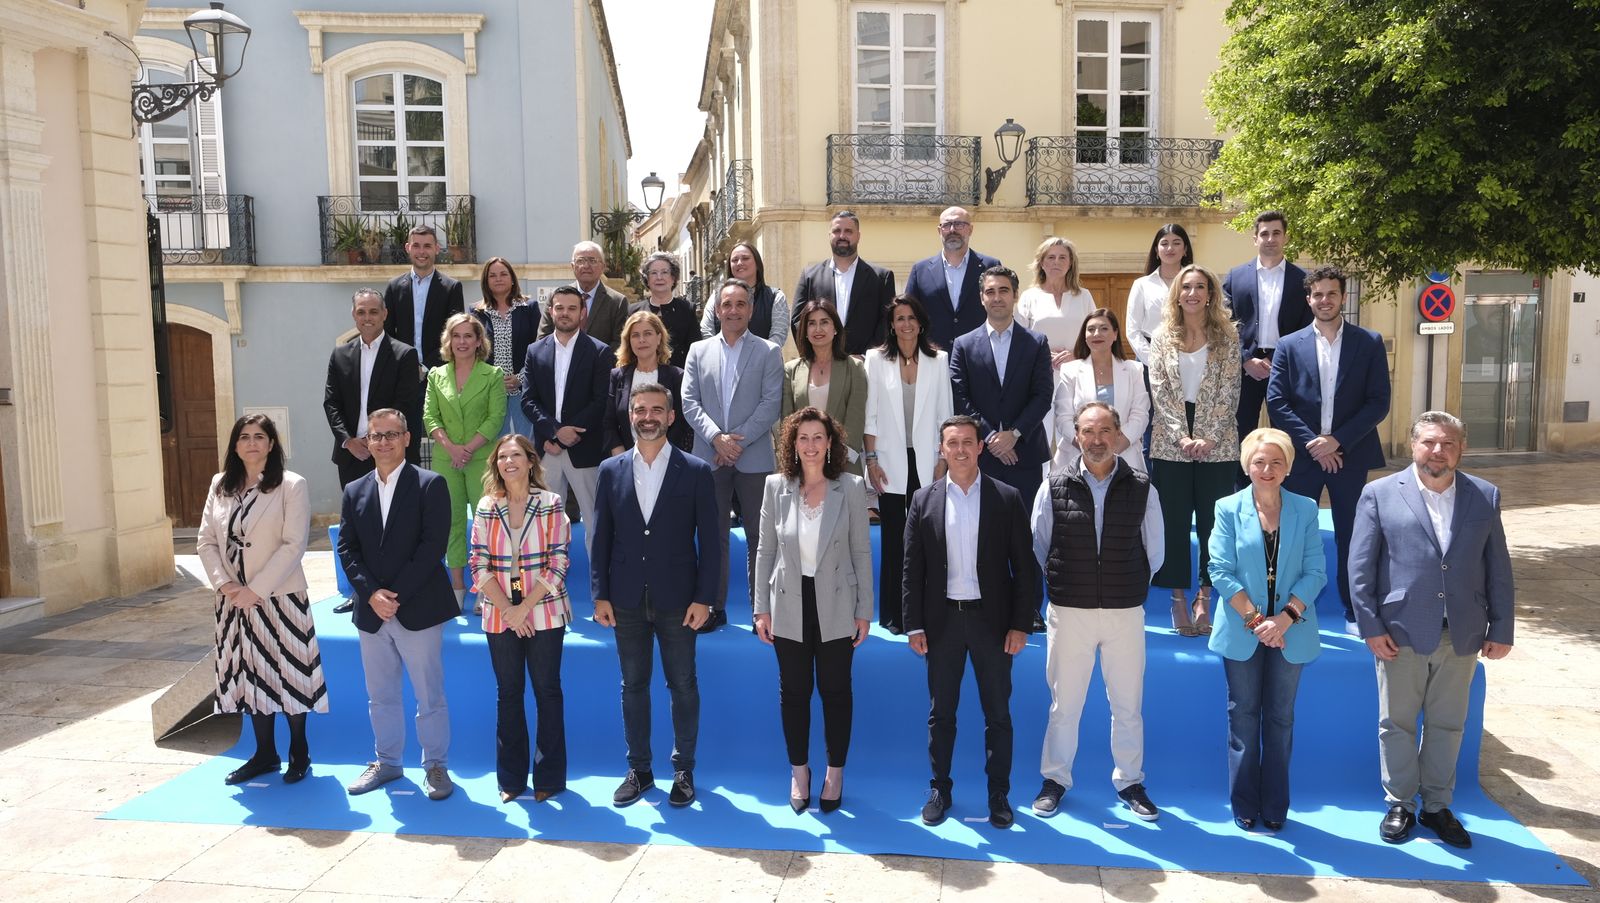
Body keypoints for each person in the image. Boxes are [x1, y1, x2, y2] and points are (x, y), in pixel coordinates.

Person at [1350, 411, 1514, 850]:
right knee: (1396, 722)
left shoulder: (1484, 496)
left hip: (1461, 632)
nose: (1437, 451)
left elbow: (1498, 567)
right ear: (1413, 445)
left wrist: (1501, 626)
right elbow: (1360, 569)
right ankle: (1400, 803)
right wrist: (1370, 626)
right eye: (1429, 442)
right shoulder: (1379, 494)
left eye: (1447, 444)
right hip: (1399, 629)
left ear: (1461, 449)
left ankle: (1437, 807)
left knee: (1448, 724)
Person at [1028, 402, 1164, 822]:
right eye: (1088, 431)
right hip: (1071, 610)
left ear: (1118, 434)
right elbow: (1040, 543)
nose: (1097, 440)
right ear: (1077, 437)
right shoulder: (1052, 484)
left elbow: (1154, 551)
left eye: (1105, 430)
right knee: (1064, 704)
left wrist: (1125, 584)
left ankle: (1130, 781)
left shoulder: (1143, 486)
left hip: (1124, 611)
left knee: (1127, 704)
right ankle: (1055, 780)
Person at [590, 382, 722, 808]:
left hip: (680, 600)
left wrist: (705, 599)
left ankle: (683, 769)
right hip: (625, 598)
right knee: (633, 685)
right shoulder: (610, 471)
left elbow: (712, 542)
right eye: (639, 409)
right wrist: (600, 595)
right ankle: (640, 770)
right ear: (630, 415)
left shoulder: (697, 471)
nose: (647, 416)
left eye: (656, 410)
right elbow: (601, 539)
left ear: (670, 416)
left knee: (683, 684)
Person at [904, 415, 1039, 830]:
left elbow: (1025, 569)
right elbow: (912, 570)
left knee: (998, 714)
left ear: (981, 447)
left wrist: (1021, 624)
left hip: (992, 624)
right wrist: (914, 625)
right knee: (940, 714)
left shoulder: (1007, 497)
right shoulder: (923, 500)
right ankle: (939, 788)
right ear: (941, 449)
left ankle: (999, 794)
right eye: (952, 443)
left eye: (967, 442)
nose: (960, 450)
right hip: (942, 623)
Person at [752, 408, 874, 814]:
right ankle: (800, 771)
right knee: (795, 693)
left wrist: (864, 610)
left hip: (838, 601)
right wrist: (760, 609)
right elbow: (765, 549)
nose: (810, 445)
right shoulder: (775, 486)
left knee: (837, 692)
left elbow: (860, 550)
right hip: (788, 601)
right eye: (802, 437)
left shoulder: (852, 487)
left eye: (817, 437)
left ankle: (834, 772)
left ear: (830, 442)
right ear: (792, 444)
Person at [196, 414, 327, 785]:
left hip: (280, 598)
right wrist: (226, 586)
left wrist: (256, 589)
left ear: (271, 444)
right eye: (244, 437)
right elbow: (205, 541)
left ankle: (298, 750)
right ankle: (264, 753)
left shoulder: (291, 485)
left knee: (290, 673)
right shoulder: (220, 484)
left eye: (260, 436)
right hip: (233, 602)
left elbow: (294, 544)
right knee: (248, 674)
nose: (251, 443)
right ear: (235, 446)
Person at [1207, 427, 1326, 832]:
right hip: (1244, 630)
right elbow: (1219, 571)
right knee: (1242, 717)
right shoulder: (1227, 507)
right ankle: (1244, 802)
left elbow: (1316, 572)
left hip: (1291, 631)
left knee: (1281, 719)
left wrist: (1285, 619)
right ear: (1247, 466)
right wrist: (1257, 621)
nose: (1267, 469)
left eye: (1277, 462)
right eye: (1259, 461)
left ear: (1289, 467)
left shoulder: (1306, 509)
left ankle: (1275, 805)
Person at [337, 408, 457, 801]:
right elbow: (347, 548)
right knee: (381, 695)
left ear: (407, 438)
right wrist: (372, 593)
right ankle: (387, 762)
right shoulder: (354, 490)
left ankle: (436, 766)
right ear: (367, 442)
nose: (384, 442)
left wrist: (395, 595)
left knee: (429, 695)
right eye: (376, 435)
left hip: (418, 608)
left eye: (392, 434)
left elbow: (431, 547)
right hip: (371, 612)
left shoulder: (430, 484)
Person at [1267, 265, 1391, 629]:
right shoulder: (1289, 345)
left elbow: (1378, 401)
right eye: (1317, 294)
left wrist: (1337, 441)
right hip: (1303, 459)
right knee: (1293, 536)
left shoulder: (1368, 342)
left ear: (1343, 297)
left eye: (1331, 294)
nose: (1324, 300)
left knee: (1353, 535)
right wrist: (1314, 444)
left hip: (1349, 456)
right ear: (1309, 299)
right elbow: (1277, 402)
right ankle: (1289, 611)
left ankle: (1355, 611)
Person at [469, 434, 571, 804]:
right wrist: (508, 610)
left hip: (542, 610)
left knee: (547, 692)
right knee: (508, 695)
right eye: (502, 457)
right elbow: (478, 563)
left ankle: (550, 777)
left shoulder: (551, 503)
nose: (508, 462)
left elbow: (559, 561)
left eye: (516, 455)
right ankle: (511, 779)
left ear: (531, 461)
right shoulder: (485, 506)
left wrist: (524, 607)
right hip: (500, 615)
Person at [682, 278, 785, 632]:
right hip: (709, 456)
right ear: (717, 310)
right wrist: (716, 438)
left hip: (754, 457)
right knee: (714, 535)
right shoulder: (698, 350)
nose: (734, 310)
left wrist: (736, 442)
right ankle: (714, 606)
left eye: (741, 304)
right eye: (727, 304)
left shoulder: (769, 352)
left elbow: (771, 403)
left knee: (761, 535)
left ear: (751, 310)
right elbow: (688, 401)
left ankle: (762, 611)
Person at [1147, 264, 1241, 638]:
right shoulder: (1162, 336)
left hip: (1218, 440)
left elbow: (1231, 390)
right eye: (1186, 287)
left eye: (1200, 287)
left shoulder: (1228, 336)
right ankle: (1177, 598)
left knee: (1212, 524)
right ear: (1177, 294)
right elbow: (1159, 389)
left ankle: (1205, 595)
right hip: (1170, 441)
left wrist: (1210, 436)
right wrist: (1181, 435)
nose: (1192, 293)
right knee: (1171, 522)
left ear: (1210, 294)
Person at [325, 289, 422, 615]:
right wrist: (348, 440)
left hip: (390, 454)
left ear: (384, 315)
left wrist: (379, 440)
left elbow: (408, 404)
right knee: (356, 527)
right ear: (354, 315)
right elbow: (331, 402)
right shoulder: (340, 355)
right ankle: (359, 593)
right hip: (352, 455)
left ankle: (397, 591)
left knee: (394, 524)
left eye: (373, 312)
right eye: (361, 312)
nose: (367, 318)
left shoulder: (404, 354)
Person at [863, 295, 952, 634]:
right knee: (894, 539)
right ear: (891, 324)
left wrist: (942, 461)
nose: (906, 324)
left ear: (921, 322)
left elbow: (946, 415)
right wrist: (870, 459)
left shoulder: (939, 360)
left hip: (928, 459)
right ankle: (893, 614)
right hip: (888, 459)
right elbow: (870, 413)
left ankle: (926, 613)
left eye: (911, 318)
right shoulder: (875, 359)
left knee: (927, 538)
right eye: (899, 318)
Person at [521, 286, 617, 564]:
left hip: (584, 449)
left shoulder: (600, 352)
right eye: (559, 307)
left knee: (595, 524)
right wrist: (553, 431)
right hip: (546, 449)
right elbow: (528, 400)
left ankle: (601, 592)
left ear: (582, 313)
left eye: (572, 308)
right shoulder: (535, 350)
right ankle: (547, 588)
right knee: (545, 525)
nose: (565, 313)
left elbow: (601, 401)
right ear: (551, 311)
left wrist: (564, 435)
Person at [949, 265, 1054, 512]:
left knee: (1025, 534)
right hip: (980, 456)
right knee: (983, 536)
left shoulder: (1036, 343)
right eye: (990, 291)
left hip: (1025, 454)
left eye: (1004, 291)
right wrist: (991, 437)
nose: (997, 297)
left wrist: (1013, 434)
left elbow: (1043, 395)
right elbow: (959, 397)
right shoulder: (963, 345)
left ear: (1015, 295)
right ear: (981, 298)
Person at [423, 312, 506, 610]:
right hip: (447, 461)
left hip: (482, 459)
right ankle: (457, 588)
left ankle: (487, 590)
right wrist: (451, 447)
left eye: (468, 336)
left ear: (478, 341)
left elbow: (495, 417)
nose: (462, 341)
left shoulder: (493, 375)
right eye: (456, 336)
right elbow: (429, 416)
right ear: (449, 340)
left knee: (487, 526)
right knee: (451, 524)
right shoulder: (436, 375)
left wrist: (467, 448)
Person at [1222, 211, 1311, 446]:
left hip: (1286, 366)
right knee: (1241, 431)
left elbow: (1306, 325)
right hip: (1244, 367)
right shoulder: (1235, 277)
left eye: (1276, 233)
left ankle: (1282, 481)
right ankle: (1241, 482)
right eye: (1264, 234)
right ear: (1255, 239)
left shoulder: (1303, 280)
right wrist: (1246, 359)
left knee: (1284, 434)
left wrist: (1276, 359)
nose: (1270, 239)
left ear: (1285, 238)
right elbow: (1224, 322)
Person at [1050, 308, 1150, 475]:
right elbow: (1063, 418)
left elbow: (1140, 415)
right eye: (1091, 329)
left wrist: (1115, 447)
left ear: (1115, 334)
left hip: (1125, 457)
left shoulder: (1134, 370)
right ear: (1084, 336)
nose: (1097, 334)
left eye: (1104, 328)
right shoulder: (1070, 371)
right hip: (1077, 457)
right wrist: (1088, 447)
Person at [781, 300, 868, 476]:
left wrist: (834, 459)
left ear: (835, 328)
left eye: (824, 322)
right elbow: (788, 422)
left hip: (843, 466)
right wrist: (806, 457)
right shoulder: (791, 370)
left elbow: (856, 419)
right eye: (811, 323)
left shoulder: (855, 368)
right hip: (803, 466)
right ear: (804, 331)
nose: (818, 329)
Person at [791, 210, 896, 355]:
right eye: (836, 231)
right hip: (821, 365)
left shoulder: (881, 278)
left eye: (848, 231)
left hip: (865, 367)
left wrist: (868, 357)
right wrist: (814, 354)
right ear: (829, 236)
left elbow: (887, 322)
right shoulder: (810, 276)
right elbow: (797, 321)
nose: (842, 236)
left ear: (858, 236)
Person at [904, 206, 1002, 350]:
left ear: (970, 229)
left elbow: (999, 311)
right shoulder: (920, 270)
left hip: (978, 357)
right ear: (939, 231)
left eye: (959, 224)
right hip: (932, 358)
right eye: (946, 225)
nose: (952, 230)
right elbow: (908, 314)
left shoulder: (990, 266)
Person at [602, 310, 693, 454]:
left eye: (648, 333)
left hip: (668, 459)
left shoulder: (677, 376)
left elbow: (682, 424)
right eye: (635, 335)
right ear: (629, 341)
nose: (641, 340)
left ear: (659, 338)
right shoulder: (617, 376)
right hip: (625, 458)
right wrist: (620, 456)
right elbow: (609, 423)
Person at [471, 256, 541, 438]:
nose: (498, 279)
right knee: (495, 444)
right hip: (491, 391)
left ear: (512, 279)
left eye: (503, 274)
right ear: (486, 281)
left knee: (525, 443)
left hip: (523, 387)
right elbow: (474, 353)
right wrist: (494, 382)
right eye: (492, 275)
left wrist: (520, 377)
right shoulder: (476, 311)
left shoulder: (529, 307)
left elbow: (539, 347)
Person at [382, 225, 464, 368]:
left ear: (436, 249)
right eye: (416, 246)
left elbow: (454, 334)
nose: (421, 252)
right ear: (408, 248)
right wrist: (404, 364)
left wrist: (426, 367)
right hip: (403, 372)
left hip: (440, 372)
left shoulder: (452, 288)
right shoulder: (394, 287)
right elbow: (387, 333)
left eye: (427, 246)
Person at [1016, 236, 1095, 370]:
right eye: (1051, 257)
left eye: (1062, 257)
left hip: (1077, 371)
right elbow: (1018, 339)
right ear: (1041, 263)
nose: (1056, 262)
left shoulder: (1084, 296)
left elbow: (1095, 335)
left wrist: (1076, 355)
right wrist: (1043, 355)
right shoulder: (1029, 297)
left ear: (1070, 263)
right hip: (1039, 372)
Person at [538, 240, 629, 348]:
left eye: (592, 260)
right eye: (580, 261)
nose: (586, 266)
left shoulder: (617, 302)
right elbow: (543, 339)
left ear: (603, 267)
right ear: (573, 266)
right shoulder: (556, 297)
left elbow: (619, 343)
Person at [1125, 224, 1193, 364]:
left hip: (1189, 355)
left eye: (1176, 243)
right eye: (1164, 243)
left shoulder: (1196, 283)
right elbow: (1133, 330)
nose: (1170, 248)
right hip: (1149, 357)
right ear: (1156, 250)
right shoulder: (1142, 285)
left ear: (1185, 249)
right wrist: (1153, 359)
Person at [700, 241, 789, 348]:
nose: (739, 263)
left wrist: (754, 357)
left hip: (762, 363)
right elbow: (706, 330)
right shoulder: (716, 296)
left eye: (745, 258)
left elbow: (778, 336)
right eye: (734, 260)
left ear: (757, 264)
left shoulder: (776, 297)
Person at [631, 251, 701, 369]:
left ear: (673, 278)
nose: (659, 277)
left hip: (679, 377)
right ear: (647, 279)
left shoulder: (687, 309)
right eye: (654, 273)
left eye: (664, 272)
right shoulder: (634, 311)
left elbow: (695, 349)